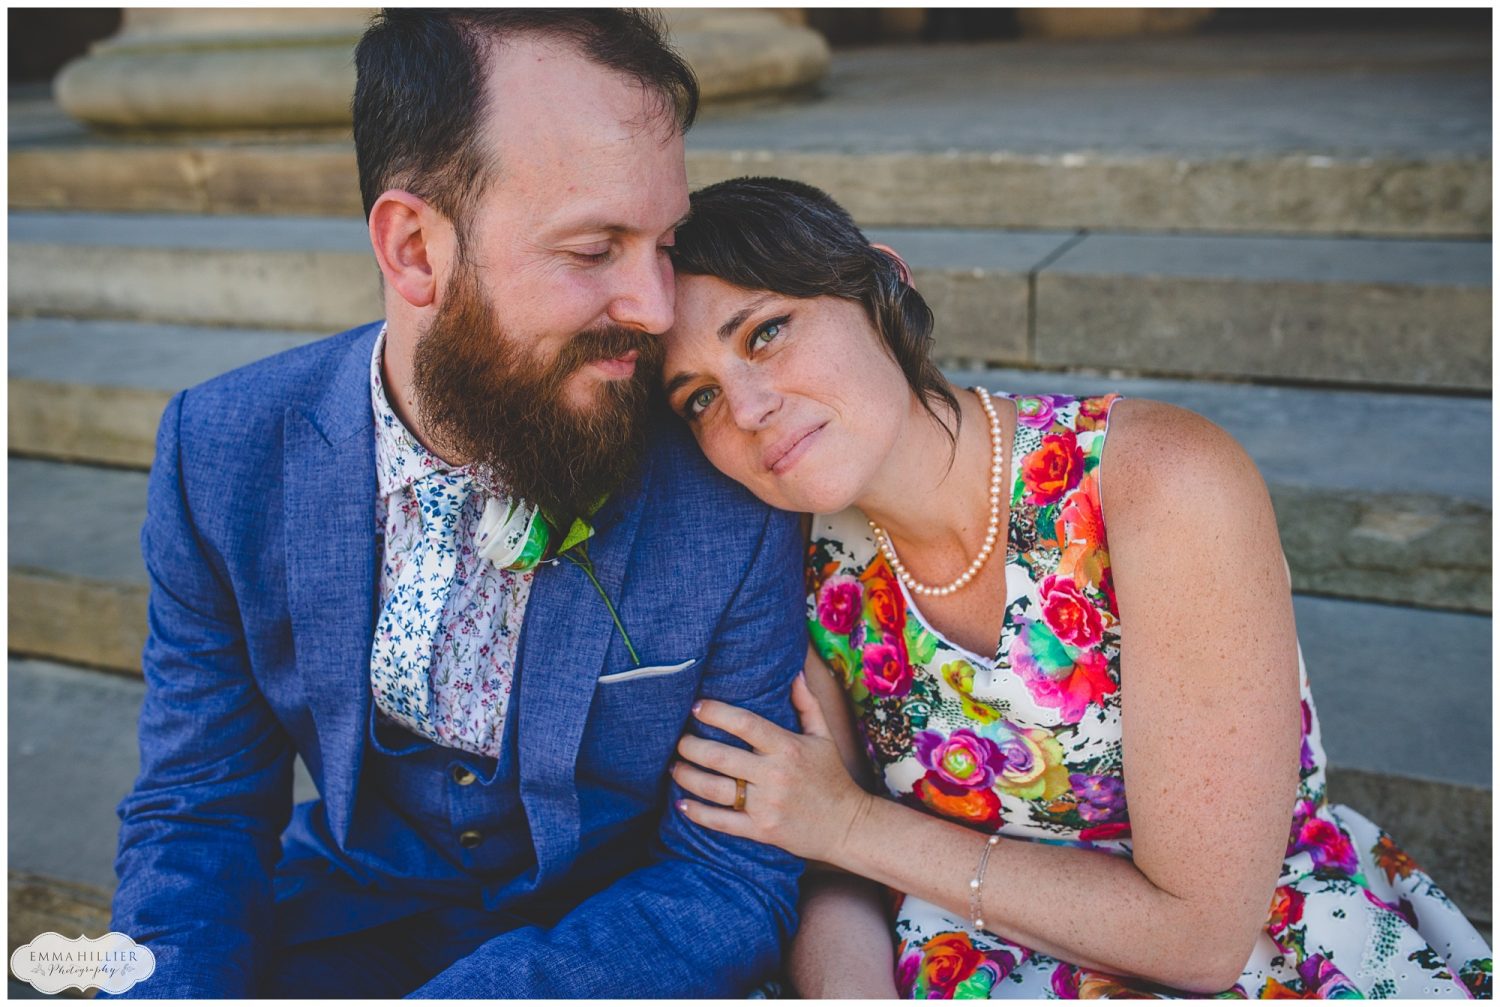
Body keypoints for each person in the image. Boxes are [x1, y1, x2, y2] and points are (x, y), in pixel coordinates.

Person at [102, 14, 806, 999]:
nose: (655, 308)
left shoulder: (727, 469)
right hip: (346, 923)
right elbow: (197, 812)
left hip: (621, 950)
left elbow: (733, 876)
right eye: (595, 248)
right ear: (415, 249)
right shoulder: (223, 454)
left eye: (667, 243)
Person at [659, 177, 1492, 999]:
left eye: (765, 333)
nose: (747, 408)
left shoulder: (1158, 483)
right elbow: (834, 867)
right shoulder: (797, 561)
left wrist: (851, 822)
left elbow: (1201, 936)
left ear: (883, 283)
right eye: (699, 397)